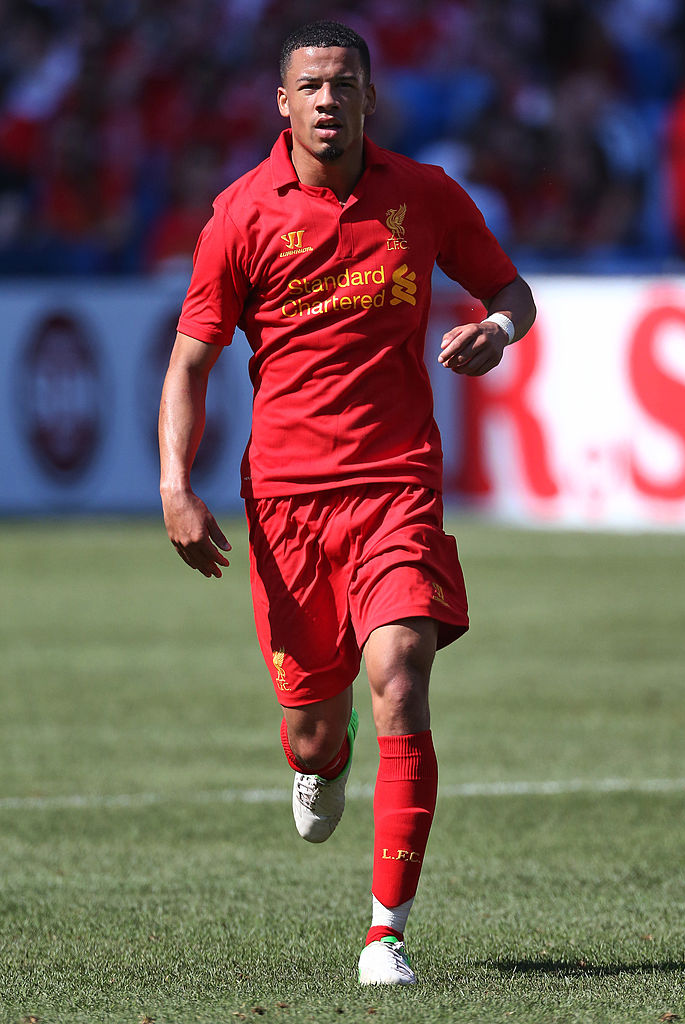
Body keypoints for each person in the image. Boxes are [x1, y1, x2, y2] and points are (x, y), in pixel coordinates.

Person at [158, 20, 536, 986]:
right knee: (315, 730)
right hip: (286, 504)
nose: (328, 99)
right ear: (283, 102)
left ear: (370, 97)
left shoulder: (425, 195)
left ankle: (384, 935)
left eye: (344, 83)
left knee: (401, 676)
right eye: (312, 85)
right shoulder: (241, 215)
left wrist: (496, 330)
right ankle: (320, 760)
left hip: (396, 484)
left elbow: (511, 290)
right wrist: (175, 486)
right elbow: (190, 363)